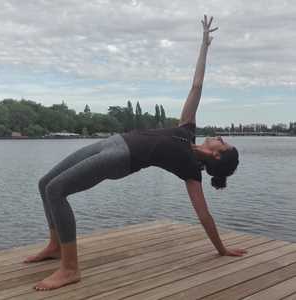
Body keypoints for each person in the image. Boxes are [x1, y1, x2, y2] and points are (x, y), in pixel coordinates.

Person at [25, 15, 247, 291]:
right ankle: (55, 246)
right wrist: (204, 45)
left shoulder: (191, 171)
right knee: (45, 183)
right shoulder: (187, 130)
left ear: (216, 156)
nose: (219, 138)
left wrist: (222, 249)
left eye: (222, 144)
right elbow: (197, 86)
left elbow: (204, 216)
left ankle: (70, 269)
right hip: (111, 141)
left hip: (121, 158)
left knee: (57, 191)